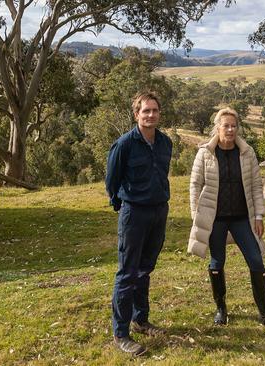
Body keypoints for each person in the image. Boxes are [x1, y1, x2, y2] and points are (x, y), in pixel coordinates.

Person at [188, 107, 265, 333]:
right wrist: (197, 216)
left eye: (234, 126)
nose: (230, 130)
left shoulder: (247, 152)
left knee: (256, 261)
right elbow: (195, 185)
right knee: (217, 263)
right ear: (218, 128)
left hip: (242, 218)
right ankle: (221, 309)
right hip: (215, 220)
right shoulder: (205, 153)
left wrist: (259, 215)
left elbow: (254, 186)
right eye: (226, 126)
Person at [105, 91, 172, 356]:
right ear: (136, 114)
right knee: (128, 273)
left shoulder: (165, 142)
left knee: (146, 269)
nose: (151, 115)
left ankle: (141, 319)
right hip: (134, 213)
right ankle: (121, 333)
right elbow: (112, 180)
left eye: (155, 110)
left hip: (159, 211)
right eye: (146, 111)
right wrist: (119, 204)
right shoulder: (124, 144)